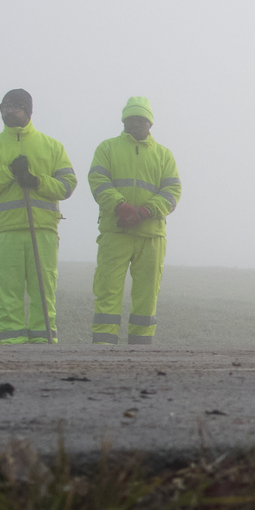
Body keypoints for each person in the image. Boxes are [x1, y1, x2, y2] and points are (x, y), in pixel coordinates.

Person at [0, 89, 75, 346]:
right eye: (5, 106)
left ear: (28, 110)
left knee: (43, 293)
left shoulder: (51, 146)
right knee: (7, 296)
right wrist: (8, 172)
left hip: (42, 231)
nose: (9, 110)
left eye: (15, 106)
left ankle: (44, 349)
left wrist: (36, 181)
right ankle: (11, 350)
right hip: (4, 233)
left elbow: (67, 185)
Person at [87, 96, 180, 346]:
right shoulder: (107, 148)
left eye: (141, 119)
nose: (136, 123)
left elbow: (172, 193)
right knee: (108, 291)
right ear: (124, 121)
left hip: (151, 237)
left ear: (150, 124)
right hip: (115, 234)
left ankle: (140, 351)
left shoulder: (164, 155)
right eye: (131, 119)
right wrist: (121, 206)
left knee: (147, 297)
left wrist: (146, 212)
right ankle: (103, 349)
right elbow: (98, 182)